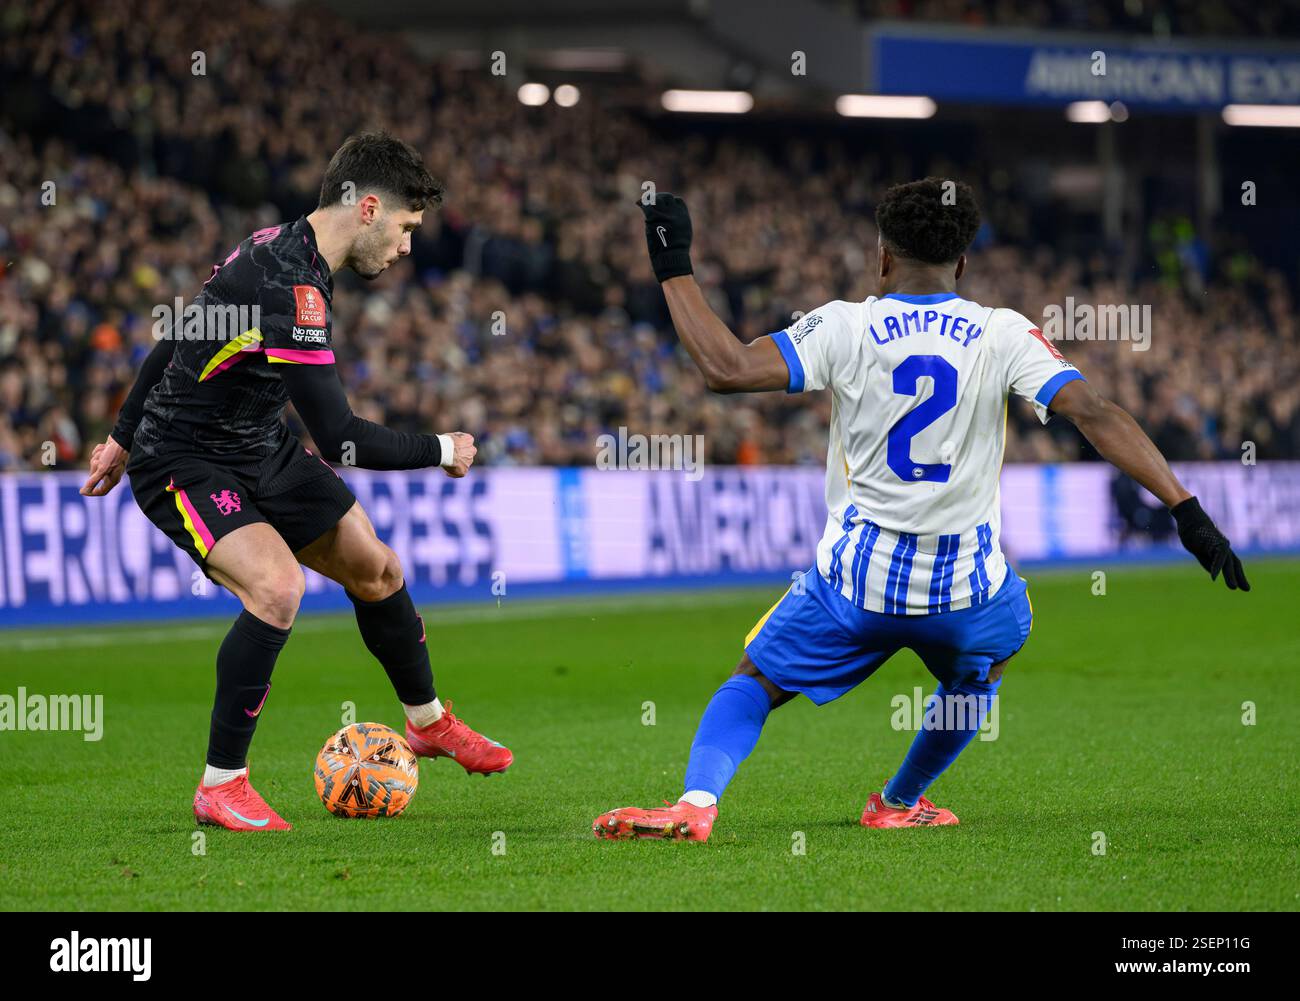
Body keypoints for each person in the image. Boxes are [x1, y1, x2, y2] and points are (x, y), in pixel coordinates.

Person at [594, 178, 1248, 842]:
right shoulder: (1003, 331)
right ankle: (900, 799)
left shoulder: (846, 324)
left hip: (857, 585)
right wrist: (1185, 507)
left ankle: (696, 802)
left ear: (882, 256)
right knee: (993, 654)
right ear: (962, 263)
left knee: (756, 678)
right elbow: (1095, 414)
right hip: (963, 592)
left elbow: (726, 367)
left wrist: (672, 265)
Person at [81, 132, 512, 832]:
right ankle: (221, 784)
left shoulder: (279, 246)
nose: (407, 247)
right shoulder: (291, 283)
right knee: (277, 588)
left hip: (257, 441)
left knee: (377, 569)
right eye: (405, 228)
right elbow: (341, 436)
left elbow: (177, 336)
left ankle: (429, 722)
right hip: (184, 457)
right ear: (368, 208)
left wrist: (115, 432)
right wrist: (442, 448)